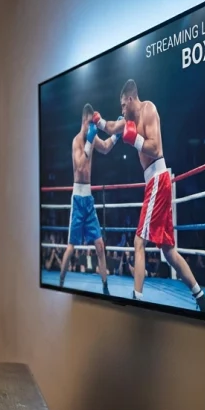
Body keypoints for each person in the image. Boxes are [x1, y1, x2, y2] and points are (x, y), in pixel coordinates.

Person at [92, 79, 205, 313]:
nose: (121, 110)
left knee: (139, 242)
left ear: (130, 99)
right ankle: (202, 300)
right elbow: (108, 142)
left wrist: (134, 139)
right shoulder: (126, 121)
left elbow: (156, 149)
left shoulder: (149, 109)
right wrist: (95, 125)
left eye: (122, 105)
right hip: (154, 182)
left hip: (159, 177)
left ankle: (136, 300)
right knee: (168, 251)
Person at [58, 103, 117, 295]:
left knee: (99, 245)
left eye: (94, 123)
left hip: (89, 199)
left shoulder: (92, 135)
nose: (92, 126)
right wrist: (90, 141)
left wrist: (117, 134)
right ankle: (60, 282)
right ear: (84, 121)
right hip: (77, 199)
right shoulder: (76, 141)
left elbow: (106, 148)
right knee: (71, 247)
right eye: (90, 123)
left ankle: (105, 286)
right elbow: (80, 166)